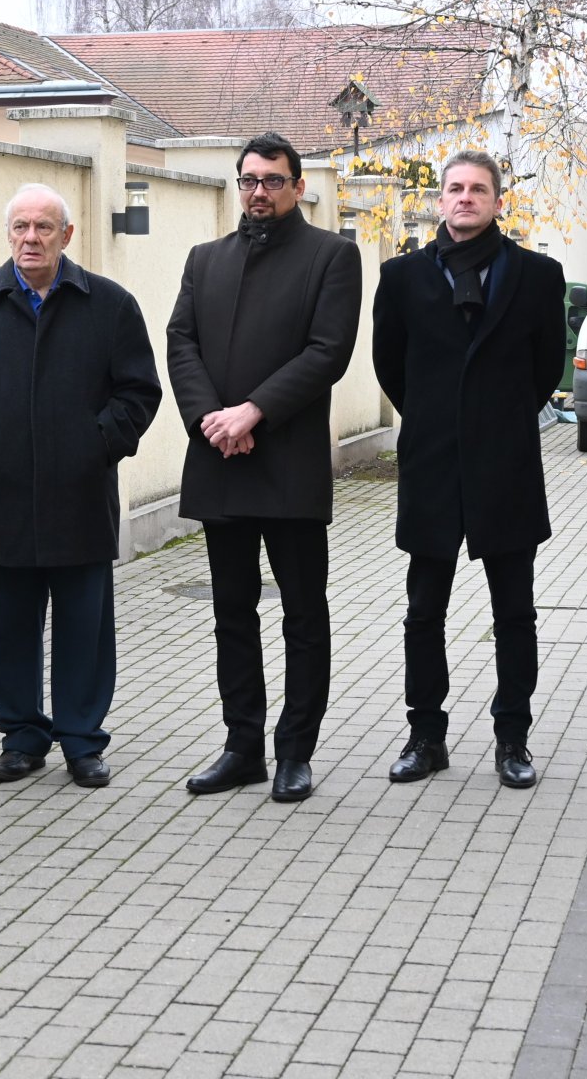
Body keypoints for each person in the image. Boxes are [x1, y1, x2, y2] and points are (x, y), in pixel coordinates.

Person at [0, 184, 161, 788]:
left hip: (82, 496)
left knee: (85, 628)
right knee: (12, 629)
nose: (31, 238)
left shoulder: (110, 305)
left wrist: (95, 444)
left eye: (44, 227)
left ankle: (82, 741)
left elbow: (139, 392)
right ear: (8, 234)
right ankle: (22, 737)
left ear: (67, 235)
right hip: (5, 498)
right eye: (21, 227)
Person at [166, 133, 362, 804]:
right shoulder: (206, 259)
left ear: (297, 187)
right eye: (249, 180)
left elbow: (328, 352)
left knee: (302, 614)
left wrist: (253, 413)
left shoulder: (332, 256)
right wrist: (211, 420)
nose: (258, 192)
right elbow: (181, 341)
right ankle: (241, 747)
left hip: (288, 463)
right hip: (221, 460)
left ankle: (295, 752)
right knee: (232, 612)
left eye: (273, 181)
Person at [372, 151, 566, 790]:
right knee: (424, 610)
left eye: (478, 189)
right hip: (431, 465)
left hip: (506, 465)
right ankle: (425, 736)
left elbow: (545, 367)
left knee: (514, 611)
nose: (465, 198)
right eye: (455, 188)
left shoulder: (538, 275)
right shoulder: (402, 276)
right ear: (440, 200)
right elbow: (389, 364)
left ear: (498, 201)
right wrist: (435, 419)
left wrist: (496, 421)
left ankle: (513, 738)